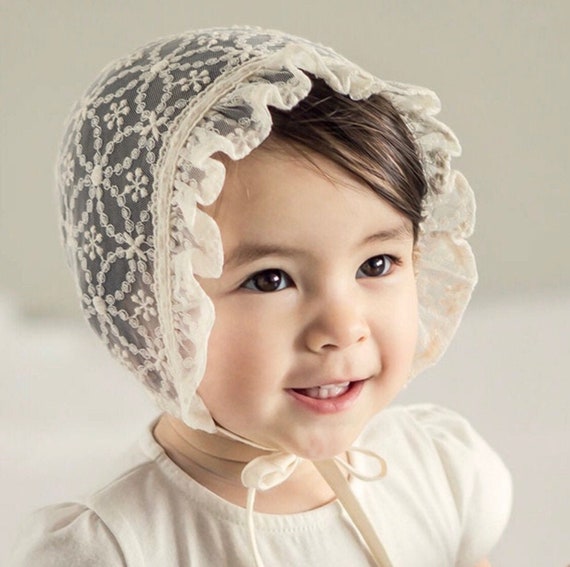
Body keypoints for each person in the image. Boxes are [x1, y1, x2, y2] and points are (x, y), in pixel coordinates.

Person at [11, 27, 512, 566]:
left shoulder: (439, 472)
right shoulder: (116, 548)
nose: (342, 329)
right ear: (146, 312)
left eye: (376, 264)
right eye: (271, 279)